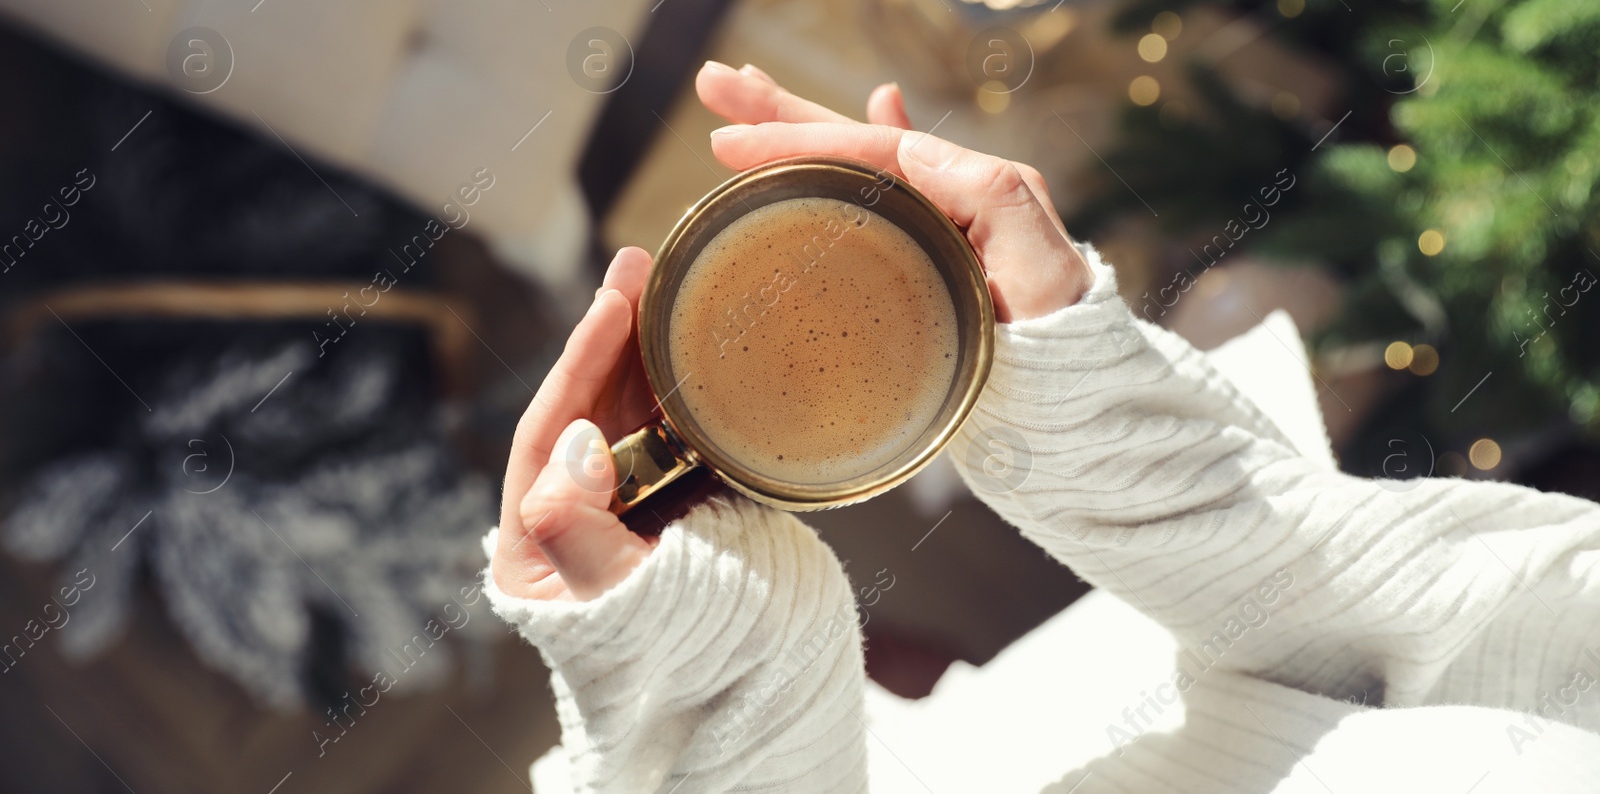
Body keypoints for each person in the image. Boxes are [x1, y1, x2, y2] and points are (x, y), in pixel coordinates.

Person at [483, 62, 1600, 793]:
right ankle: (908, 705)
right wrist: (1089, 405)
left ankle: (889, 710)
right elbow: (1429, 627)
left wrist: (709, 671)